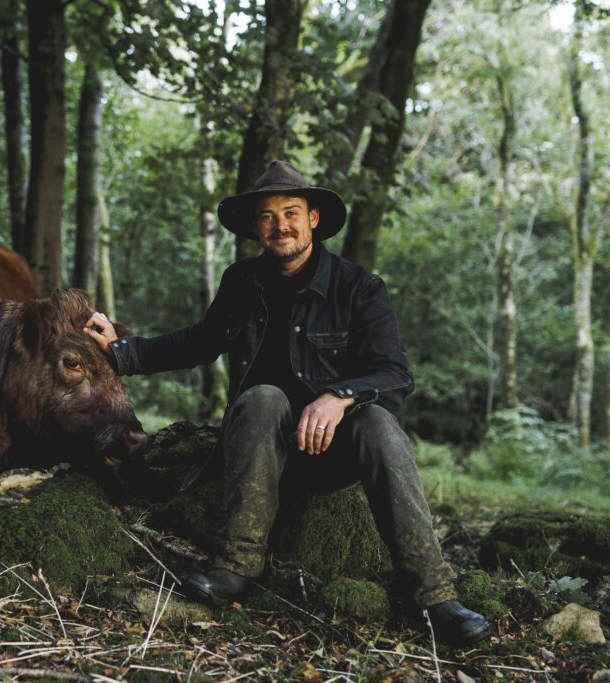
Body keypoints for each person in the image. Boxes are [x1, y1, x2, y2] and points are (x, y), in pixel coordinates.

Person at [84, 161, 493, 648]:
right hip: (258, 448)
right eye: (268, 217)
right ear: (257, 227)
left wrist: (338, 397)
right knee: (263, 396)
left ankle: (437, 597)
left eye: (291, 213)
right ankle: (236, 566)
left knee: (379, 423)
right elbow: (199, 342)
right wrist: (121, 351)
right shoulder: (242, 282)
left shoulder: (359, 288)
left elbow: (394, 373)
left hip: (332, 453)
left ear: (313, 219)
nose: (281, 226)